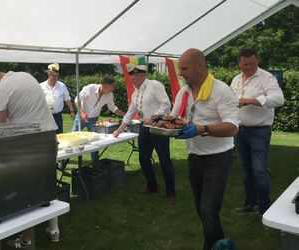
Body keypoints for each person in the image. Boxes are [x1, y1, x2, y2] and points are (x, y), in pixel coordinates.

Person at [0, 64, 58, 249]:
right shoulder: (25, 76)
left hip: (27, 145)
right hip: (48, 137)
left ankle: (26, 240)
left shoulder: (0, 90)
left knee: (26, 195)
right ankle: (54, 230)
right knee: (45, 188)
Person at [171, 48, 239, 250]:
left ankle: (213, 247)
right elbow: (175, 118)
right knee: (202, 210)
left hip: (218, 158)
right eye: (179, 68)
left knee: (208, 210)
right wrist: (158, 122)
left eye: (184, 68)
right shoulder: (184, 92)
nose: (181, 72)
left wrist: (203, 129)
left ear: (200, 66)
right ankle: (221, 245)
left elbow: (233, 127)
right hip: (194, 157)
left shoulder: (221, 90)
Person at [230, 48, 284, 215]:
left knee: (259, 170)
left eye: (252, 63)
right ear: (239, 63)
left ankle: (264, 208)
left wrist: (251, 101)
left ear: (257, 61)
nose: (248, 67)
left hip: (259, 131)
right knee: (246, 169)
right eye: (245, 64)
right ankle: (250, 203)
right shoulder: (236, 79)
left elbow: (279, 99)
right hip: (240, 130)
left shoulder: (267, 78)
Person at [113, 63, 176, 205]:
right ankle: (152, 186)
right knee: (143, 159)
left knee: (164, 160)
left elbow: (166, 104)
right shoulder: (136, 93)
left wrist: (153, 117)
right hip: (144, 128)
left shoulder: (155, 85)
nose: (132, 81)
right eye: (132, 78)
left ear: (142, 76)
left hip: (158, 127)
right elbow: (130, 113)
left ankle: (170, 192)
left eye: (134, 78)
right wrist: (120, 129)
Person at [73, 76, 125, 162]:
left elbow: (112, 108)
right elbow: (77, 99)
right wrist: (82, 113)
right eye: (112, 86)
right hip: (80, 117)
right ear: (105, 85)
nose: (113, 89)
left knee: (95, 142)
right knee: (73, 138)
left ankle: (95, 164)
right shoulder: (90, 88)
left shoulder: (109, 95)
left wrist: (125, 115)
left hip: (93, 120)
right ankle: (64, 162)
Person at [39, 63, 75, 134]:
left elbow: (67, 99)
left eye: (57, 76)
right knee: (46, 135)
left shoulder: (62, 86)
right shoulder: (41, 86)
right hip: (46, 116)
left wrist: (72, 111)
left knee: (59, 136)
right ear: (49, 75)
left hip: (57, 116)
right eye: (53, 76)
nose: (55, 78)